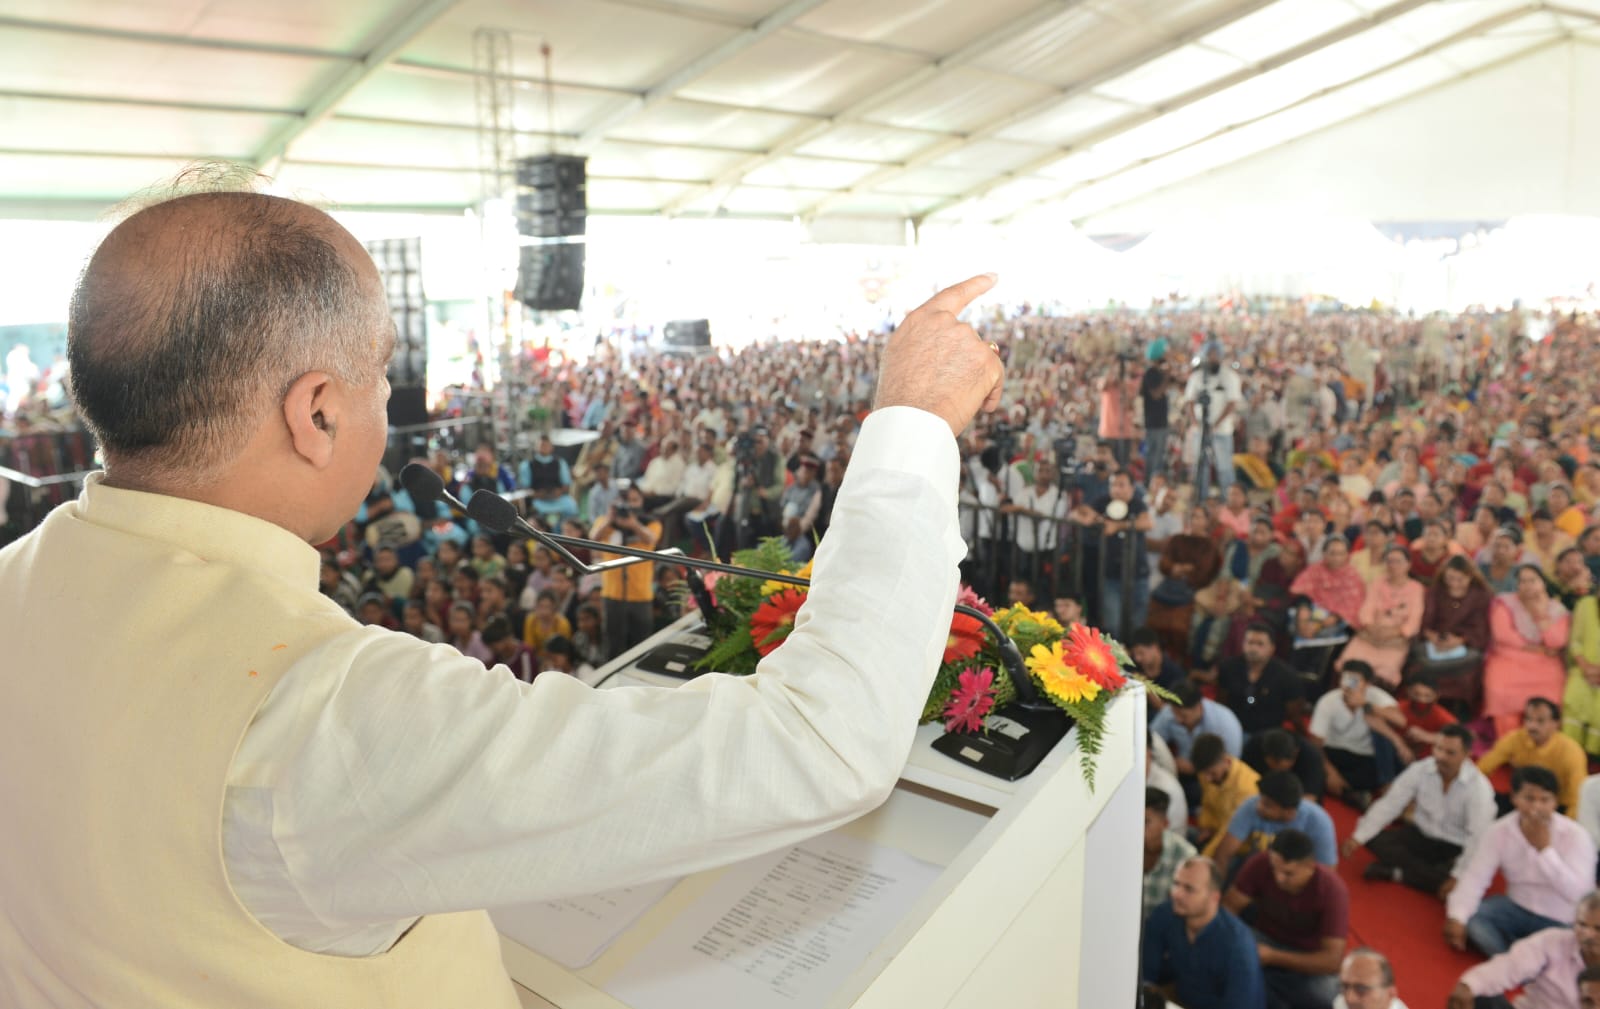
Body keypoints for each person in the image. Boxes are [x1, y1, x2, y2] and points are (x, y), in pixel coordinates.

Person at [0, 180, 1006, 1004]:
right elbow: (823, 742)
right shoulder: (320, 714)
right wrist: (911, 423)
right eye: (376, 378)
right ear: (314, 413)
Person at [1446, 767, 1597, 957]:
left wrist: (1545, 851)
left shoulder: (1577, 836)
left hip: (1560, 919)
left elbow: (1579, 895)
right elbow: (1475, 877)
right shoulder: (1499, 831)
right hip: (1515, 907)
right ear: (1514, 798)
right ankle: (1518, 960)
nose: (1536, 808)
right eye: (1529, 799)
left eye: (1544, 800)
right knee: (1473, 920)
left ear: (1555, 802)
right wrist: (1457, 917)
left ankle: (1521, 959)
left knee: (1578, 945)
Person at [1342, 723, 1495, 897]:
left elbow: (1478, 838)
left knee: (1468, 873)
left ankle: (1399, 873)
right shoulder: (1421, 769)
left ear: (1467, 755)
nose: (1440, 756)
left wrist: (1457, 876)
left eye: (1450, 753)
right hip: (1419, 835)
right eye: (1438, 748)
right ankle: (1429, 878)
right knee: (1372, 838)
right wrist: (1358, 837)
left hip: (1454, 846)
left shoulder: (1479, 789)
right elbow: (1390, 803)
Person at [1223, 830, 1348, 1009]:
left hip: (1307, 958)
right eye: (1274, 869)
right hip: (1263, 939)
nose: (1279, 878)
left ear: (1310, 867)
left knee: (1331, 997)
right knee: (1224, 953)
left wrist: (1273, 957)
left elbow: (1331, 960)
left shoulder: (1333, 890)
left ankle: (1263, 985)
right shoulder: (1260, 862)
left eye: (1288, 873)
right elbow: (1228, 909)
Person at [1142, 857, 1267, 1009]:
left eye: (1189, 889)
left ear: (1214, 897)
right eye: (1176, 884)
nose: (1176, 894)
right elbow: (1145, 975)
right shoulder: (1165, 914)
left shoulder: (1238, 945)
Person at [1448, 891, 1600, 1009]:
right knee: (1476, 995)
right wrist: (1469, 985)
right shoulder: (1554, 940)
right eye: (1582, 924)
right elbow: (1510, 966)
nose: (1587, 934)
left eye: (1597, 928)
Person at [1484, 564, 1572, 736]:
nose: (1527, 585)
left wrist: (1540, 613)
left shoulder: (1557, 609)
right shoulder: (1505, 602)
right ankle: (1510, 742)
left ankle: (1544, 740)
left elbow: (1556, 641)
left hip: (1545, 663)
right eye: (1522, 581)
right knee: (1499, 688)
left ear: (1543, 583)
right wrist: (1536, 648)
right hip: (1508, 657)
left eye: (1532, 580)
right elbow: (1503, 635)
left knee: (1553, 693)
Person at [1309, 660, 1409, 809]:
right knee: (1312, 767)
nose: (1348, 684)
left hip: (1364, 756)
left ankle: (1348, 790)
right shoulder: (1328, 701)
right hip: (1334, 752)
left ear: (1368, 683)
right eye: (1345, 678)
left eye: (1355, 680)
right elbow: (1315, 744)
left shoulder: (1375, 696)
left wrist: (1365, 704)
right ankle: (1350, 792)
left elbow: (1401, 721)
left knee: (1388, 767)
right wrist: (1331, 773)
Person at [1072, 469, 1153, 637]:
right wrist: (1094, 518)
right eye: (1114, 485)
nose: (1117, 489)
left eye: (1121, 485)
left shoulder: (1138, 504)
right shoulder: (1103, 502)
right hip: (1111, 574)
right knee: (1111, 625)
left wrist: (1118, 526)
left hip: (1137, 574)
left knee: (1137, 624)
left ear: (1131, 488)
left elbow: (1147, 523)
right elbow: (1081, 511)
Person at [589, 483, 664, 660]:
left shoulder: (651, 522)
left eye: (634, 500)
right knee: (612, 644)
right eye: (625, 500)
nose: (630, 505)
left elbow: (650, 538)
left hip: (641, 594)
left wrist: (633, 524)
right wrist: (610, 518)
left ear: (641, 501)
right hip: (612, 593)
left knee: (640, 646)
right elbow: (593, 538)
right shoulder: (605, 522)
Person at [1479, 697, 1587, 816]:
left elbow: (1578, 797)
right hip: (1523, 801)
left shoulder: (1571, 751)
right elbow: (1483, 767)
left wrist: (1565, 828)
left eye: (1540, 721)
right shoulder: (1515, 739)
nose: (1532, 726)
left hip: (1557, 806)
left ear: (1556, 723)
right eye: (1528, 719)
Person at [1212, 770, 1338, 871]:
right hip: (1254, 870)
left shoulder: (1319, 822)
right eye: (1260, 799)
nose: (1258, 806)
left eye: (1267, 805)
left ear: (1289, 812)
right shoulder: (1252, 804)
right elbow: (1224, 853)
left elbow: (1327, 872)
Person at [1415, 555, 1493, 716]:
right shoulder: (1436, 591)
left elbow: (1480, 628)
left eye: (1460, 579)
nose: (1454, 584)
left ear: (1470, 577)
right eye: (1450, 578)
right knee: (1419, 658)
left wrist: (1460, 640)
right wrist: (1432, 636)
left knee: (1471, 665)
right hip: (1434, 642)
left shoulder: (1481, 596)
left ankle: (1458, 707)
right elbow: (1425, 621)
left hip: (1465, 645)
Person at [1337, 547, 1424, 690]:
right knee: (1352, 665)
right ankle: (1350, 697)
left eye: (1398, 561)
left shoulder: (1416, 588)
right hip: (1370, 633)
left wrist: (1393, 633)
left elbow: (1415, 620)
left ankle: (1371, 702)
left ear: (1408, 564)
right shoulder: (1378, 582)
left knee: (1383, 673)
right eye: (1389, 561)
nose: (1393, 565)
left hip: (1395, 637)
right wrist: (1371, 627)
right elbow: (1366, 608)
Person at [1216, 622, 1307, 737]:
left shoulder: (1287, 676)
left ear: (1272, 648)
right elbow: (1221, 703)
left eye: (1260, 644)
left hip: (1268, 735)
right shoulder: (1228, 667)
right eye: (1249, 642)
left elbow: (1294, 715)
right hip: (1232, 729)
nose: (1253, 648)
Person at [1184, 341, 1244, 492]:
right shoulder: (1197, 377)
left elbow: (1232, 402)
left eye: (1216, 355)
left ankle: (1227, 498)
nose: (1213, 358)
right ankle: (1201, 499)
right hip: (1200, 429)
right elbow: (1189, 401)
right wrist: (1195, 423)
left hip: (1222, 431)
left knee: (1224, 467)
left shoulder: (1229, 376)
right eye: (1209, 355)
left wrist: (1215, 424)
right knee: (1201, 467)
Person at [1193, 733, 1262, 860]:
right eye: (1204, 774)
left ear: (1225, 760)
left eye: (1212, 773)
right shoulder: (1206, 773)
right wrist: (1206, 826)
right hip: (1214, 833)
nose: (1207, 779)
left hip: (1238, 847)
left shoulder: (1247, 789)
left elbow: (1229, 832)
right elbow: (1207, 804)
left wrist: (1204, 858)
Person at [1152, 679, 1245, 772]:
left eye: (1183, 716)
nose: (1177, 719)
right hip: (1178, 769)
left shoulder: (1225, 725)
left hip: (1210, 776)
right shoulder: (1170, 712)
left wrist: (1195, 768)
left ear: (1198, 706)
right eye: (1174, 713)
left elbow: (1230, 766)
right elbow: (1152, 739)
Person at [1145, 787, 1198, 922]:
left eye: (1146, 822)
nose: (1137, 828)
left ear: (1165, 824)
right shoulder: (1121, 849)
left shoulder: (1186, 856)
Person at [1243, 728, 1327, 803]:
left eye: (1278, 763)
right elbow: (1242, 777)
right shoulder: (1254, 745)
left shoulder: (1312, 758)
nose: (1274, 769)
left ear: (1295, 755)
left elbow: (1309, 800)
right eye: (1272, 763)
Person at [1565, 584, 1600, 756]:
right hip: (1582, 669)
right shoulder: (1586, 604)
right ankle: (1571, 752)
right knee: (1573, 697)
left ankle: (1593, 755)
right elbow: (1575, 642)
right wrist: (1586, 668)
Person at [1396, 675, 1458, 760]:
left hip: (1428, 761)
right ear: (1408, 692)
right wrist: (1400, 744)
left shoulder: (1441, 715)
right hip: (1397, 755)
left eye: (1427, 696)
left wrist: (1427, 736)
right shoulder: (1398, 708)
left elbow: (1459, 737)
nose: (1421, 700)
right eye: (1416, 694)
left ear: (1436, 696)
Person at [1333, 948, 1408, 1009]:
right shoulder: (1340, 1003)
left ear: (1390, 994)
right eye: (1345, 986)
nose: (1349, 998)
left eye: (1361, 989)